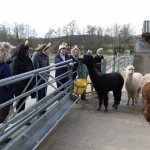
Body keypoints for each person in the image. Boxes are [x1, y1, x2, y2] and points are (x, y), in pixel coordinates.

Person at [11, 41, 35, 112]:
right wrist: (20, 84)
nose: (27, 52)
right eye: (26, 50)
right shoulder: (16, 60)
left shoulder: (26, 58)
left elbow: (31, 68)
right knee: (20, 102)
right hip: (19, 86)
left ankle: (22, 116)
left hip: (27, 83)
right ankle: (20, 118)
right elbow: (14, 74)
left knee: (23, 101)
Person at [0, 42, 14, 123]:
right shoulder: (4, 66)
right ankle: (3, 135)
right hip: (3, 97)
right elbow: (10, 84)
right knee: (2, 117)